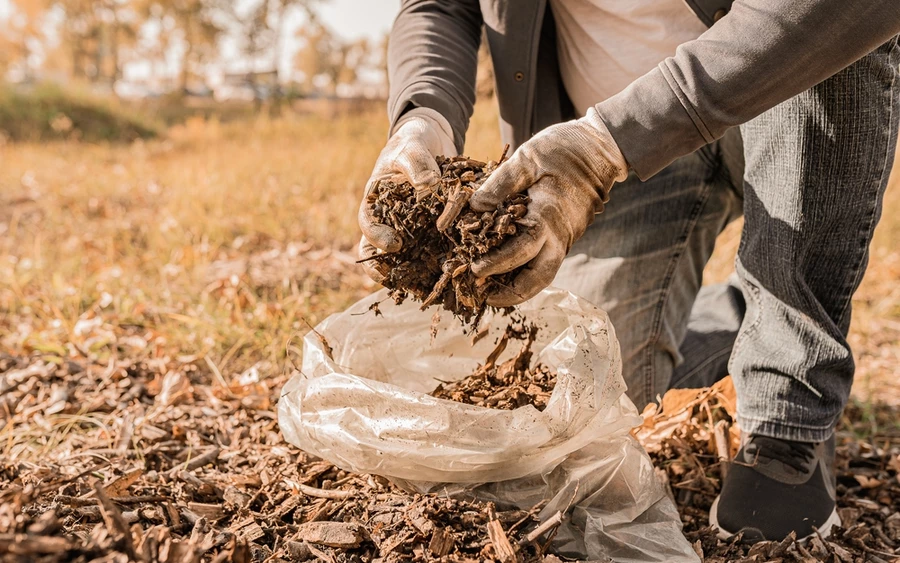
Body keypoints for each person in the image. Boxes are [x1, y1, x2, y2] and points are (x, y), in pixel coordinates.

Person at [357, 0, 900, 544]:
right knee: (599, 404)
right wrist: (421, 115)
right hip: (614, 154)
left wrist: (604, 144)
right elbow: (440, 6)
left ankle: (789, 404)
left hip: (772, 98)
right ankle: (744, 320)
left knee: (831, 41)